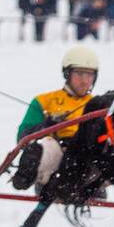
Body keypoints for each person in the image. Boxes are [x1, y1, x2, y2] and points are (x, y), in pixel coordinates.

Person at [11, 46, 99, 190]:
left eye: (89, 75)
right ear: (67, 74)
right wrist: (47, 125)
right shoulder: (43, 101)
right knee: (45, 145)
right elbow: (23, 137)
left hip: (87, 158)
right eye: (79, 74)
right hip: (56, 156)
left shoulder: (98, 104)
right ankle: (26, 176)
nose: (84, 81)